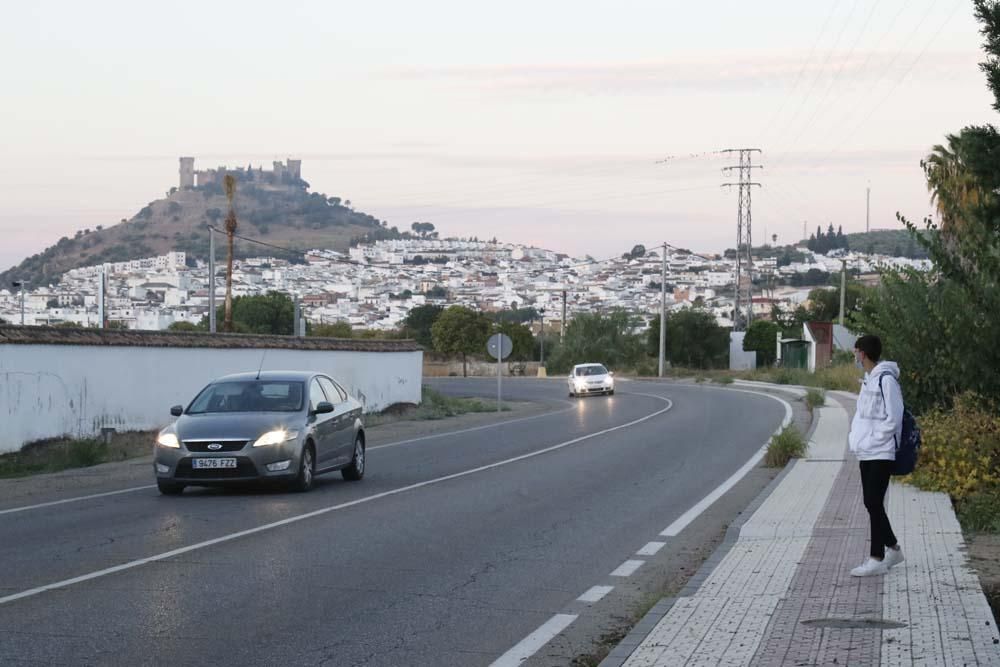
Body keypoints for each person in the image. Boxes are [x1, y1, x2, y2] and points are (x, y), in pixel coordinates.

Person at [848, 334, 905, 577]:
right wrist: (857, 440)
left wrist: (873, 439)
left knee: (872, 501)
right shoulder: (868, 380)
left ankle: (876, 557)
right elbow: (862, 416)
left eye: (855, 352)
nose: (854, 356)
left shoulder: (886, 380)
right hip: (866, 451)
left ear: (863, 353)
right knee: (871, 502)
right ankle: (893, 549)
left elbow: (895, 417)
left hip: (881, 450)